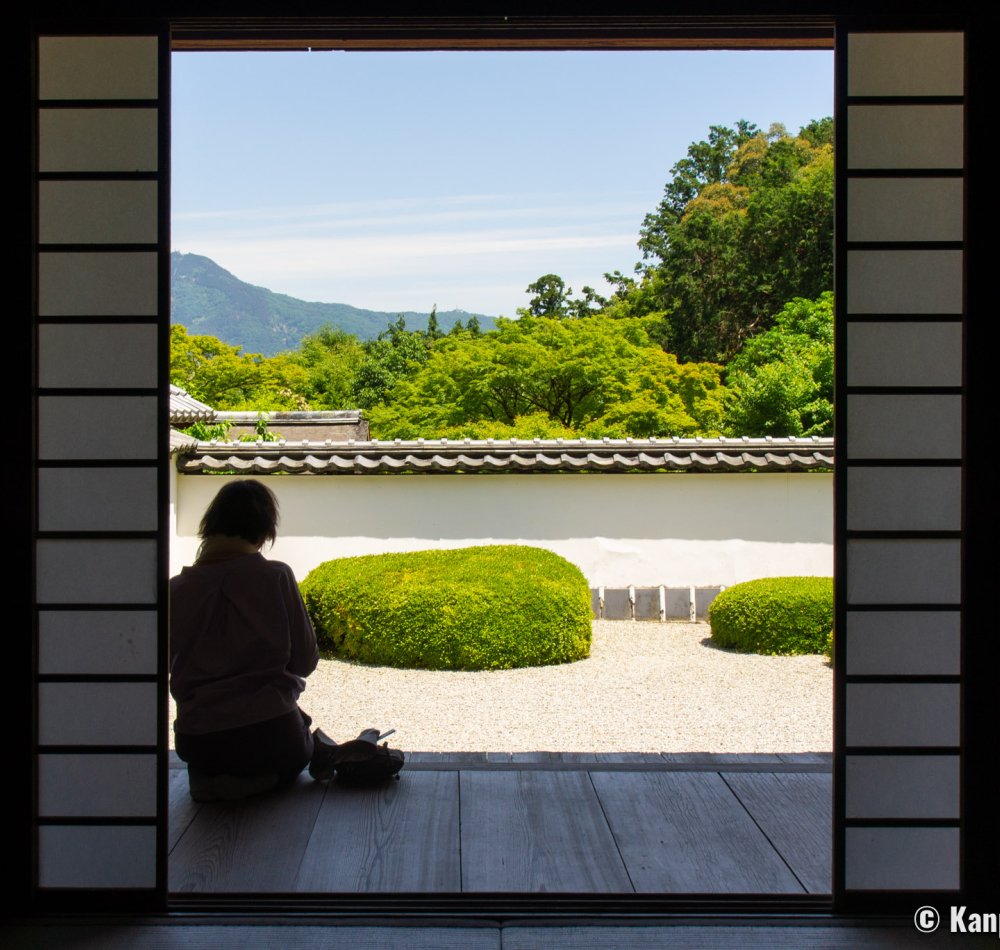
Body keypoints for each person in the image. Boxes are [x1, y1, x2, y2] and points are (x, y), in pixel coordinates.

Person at [170, 479, 402, 802]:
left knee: (253, 739)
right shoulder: (276, 577)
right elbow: (305, 662)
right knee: (299, 743)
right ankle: (267, 779)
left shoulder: (177, 589)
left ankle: (212, 779)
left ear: (211, 526)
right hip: (272, 736)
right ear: (265, 532)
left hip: (199, 740)